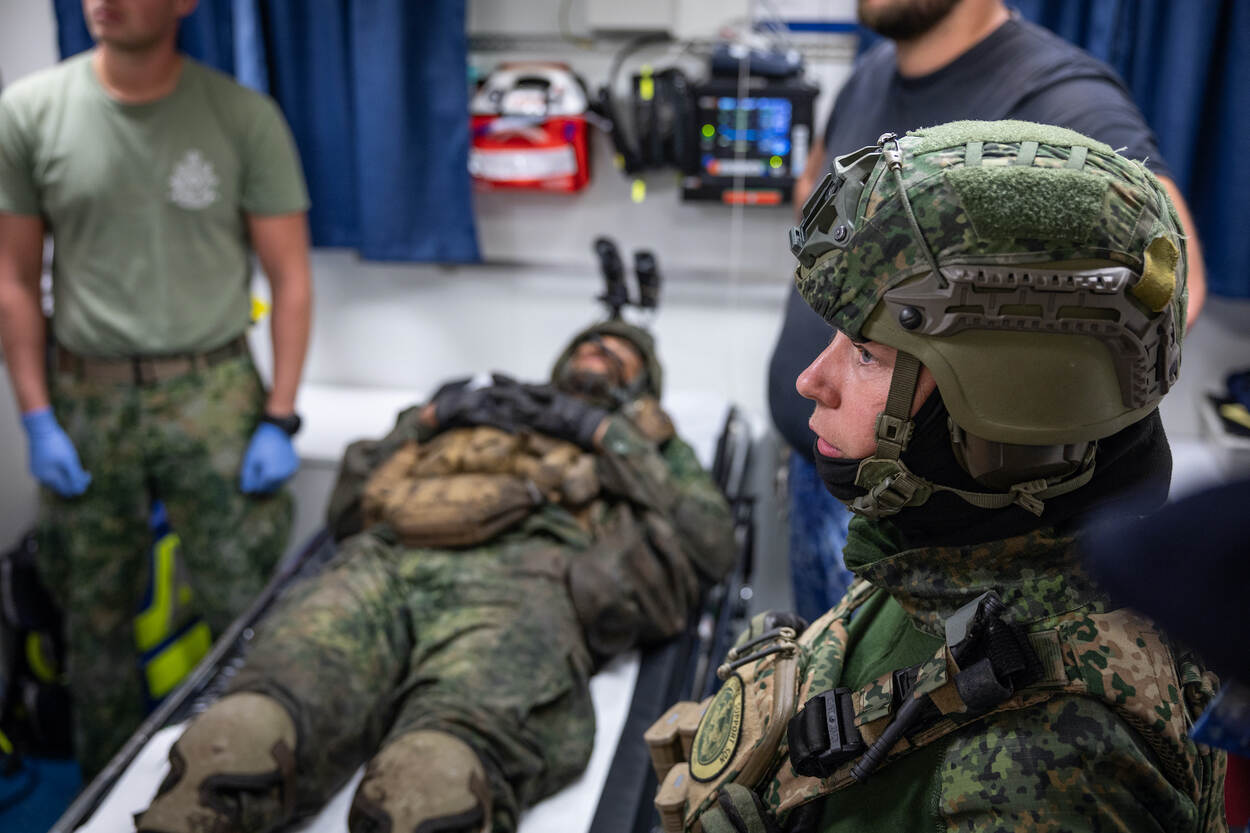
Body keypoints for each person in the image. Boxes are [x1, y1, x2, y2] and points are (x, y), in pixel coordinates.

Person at [647, 121, 1226, 832]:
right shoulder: (955, 546)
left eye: (864, 353)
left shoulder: (1043, 776)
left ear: (1004, 403)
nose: (811, 380)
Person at [134, 321, 738, 833]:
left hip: (522, 581)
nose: (600, 353)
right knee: (238, 738)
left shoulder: (646, 445)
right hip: (385, 560)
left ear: (639, 387)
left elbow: (711, 543)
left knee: (431, 781)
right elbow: (346, 511)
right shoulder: (476, 408)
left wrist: (613, 437)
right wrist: (428, 419)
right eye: (591, 344)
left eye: (620, 356)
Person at [772, 0, 1209, 621]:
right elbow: (817, 196)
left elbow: (1165, 281)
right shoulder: (873, 73)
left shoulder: (1061, 96)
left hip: (938, 511)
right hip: (844, 480)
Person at [0, 0, 312, 775]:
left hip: (212, 392)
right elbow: (12, 278)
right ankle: (107, 790)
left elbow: (292, 278)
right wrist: (36, 415)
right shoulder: (30, 113)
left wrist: (280, 416)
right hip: (87, 398)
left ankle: (251, 780)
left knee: (247, 610)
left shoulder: (241, 116)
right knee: (92, 619)